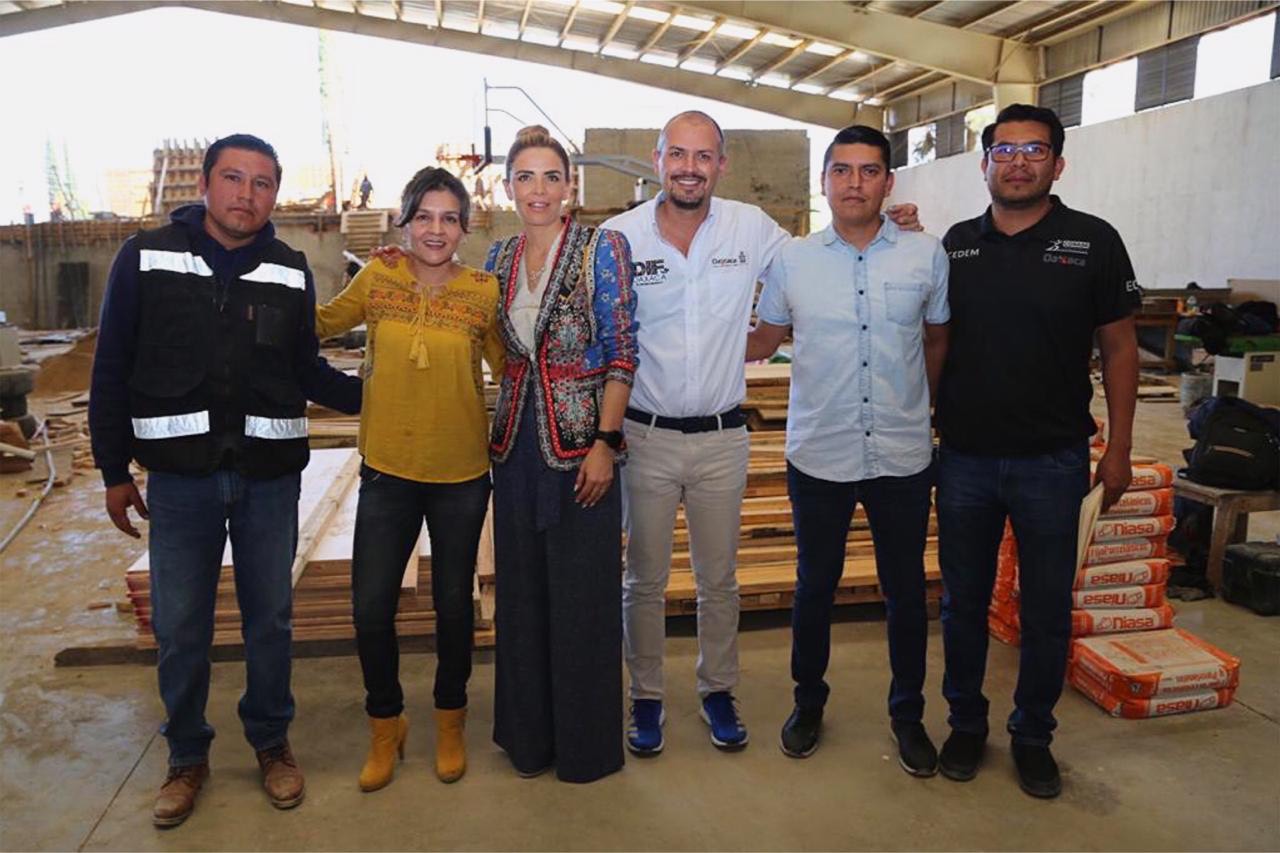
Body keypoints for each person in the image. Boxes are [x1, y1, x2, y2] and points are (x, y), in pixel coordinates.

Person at [603, 111, 920, 755]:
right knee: (643, 580)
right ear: (658, 159)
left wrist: (889, 228)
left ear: (721, 165)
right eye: (677, 154)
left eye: (704, 156)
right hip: (645, 437)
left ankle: (719, 690)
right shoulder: (619, 237)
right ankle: (646, 697)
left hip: (723, 438)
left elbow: (825, 256)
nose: (690, 168)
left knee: (719, 580)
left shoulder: (750, 229)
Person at [89, 133, 362, 827]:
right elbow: (111, 365)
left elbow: (306, 369)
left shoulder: (289, 268)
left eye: (262, 183)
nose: (247, 194)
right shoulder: (145, 256)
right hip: (181, 481)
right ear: (205, 184)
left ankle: (271, 741)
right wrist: (113, 469)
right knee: (181, 626)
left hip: (269, 480)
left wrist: (379, 393)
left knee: (270, 620)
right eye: (234, 178)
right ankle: (187, 754)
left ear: (276, 195)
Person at [934, 104, 1140, 799]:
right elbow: (935, 341)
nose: (1018, 162)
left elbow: (1120, 348)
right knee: (962, 603)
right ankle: (966, 724)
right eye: (1005, 150)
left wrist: (1119, 448)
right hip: (965, 458)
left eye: (1034, 150)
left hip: (1054, 460)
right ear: (984, 163)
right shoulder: (956, 245)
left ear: (1058, 163)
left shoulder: (1094, 241)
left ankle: (1033, 736)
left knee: (1047, 608)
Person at [745, 125, 950, 772]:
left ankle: (908, 714)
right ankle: (808, 703)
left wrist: (921, 407)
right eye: (842, 170)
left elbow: (937, 340)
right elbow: (765, 340)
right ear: (824, 181)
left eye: (868, 171)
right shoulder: (793, 261)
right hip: (820, 453)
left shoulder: (926, 255)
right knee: (815, 586)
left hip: (902, 456)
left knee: (905, 590)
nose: (854, 183)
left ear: (888, 182)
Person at [316, 167, 503, 790]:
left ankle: (450, 721)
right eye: (424, 216)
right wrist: (267, 285)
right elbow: (320, 323)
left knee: (452, 609)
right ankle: (385, 723)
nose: (436, 229)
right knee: (370, 610)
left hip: (461, 475)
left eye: (449, 218)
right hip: (388, 471)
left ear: (465, 228)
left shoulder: (483, 291)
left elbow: (513, 368)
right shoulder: (379, 277)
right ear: (405, 222)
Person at [486, 125, 638, 782]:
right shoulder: (496, 256)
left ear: (570, 186)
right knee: (522, 597)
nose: (539, 189)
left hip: (582, 448)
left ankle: (584, 749)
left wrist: (605, 443)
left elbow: (622, 351)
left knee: (583, 599)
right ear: (509, 187)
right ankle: (530, 741)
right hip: (514, 447)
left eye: (552, 176)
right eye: (525, 177)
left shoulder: (602, 248)